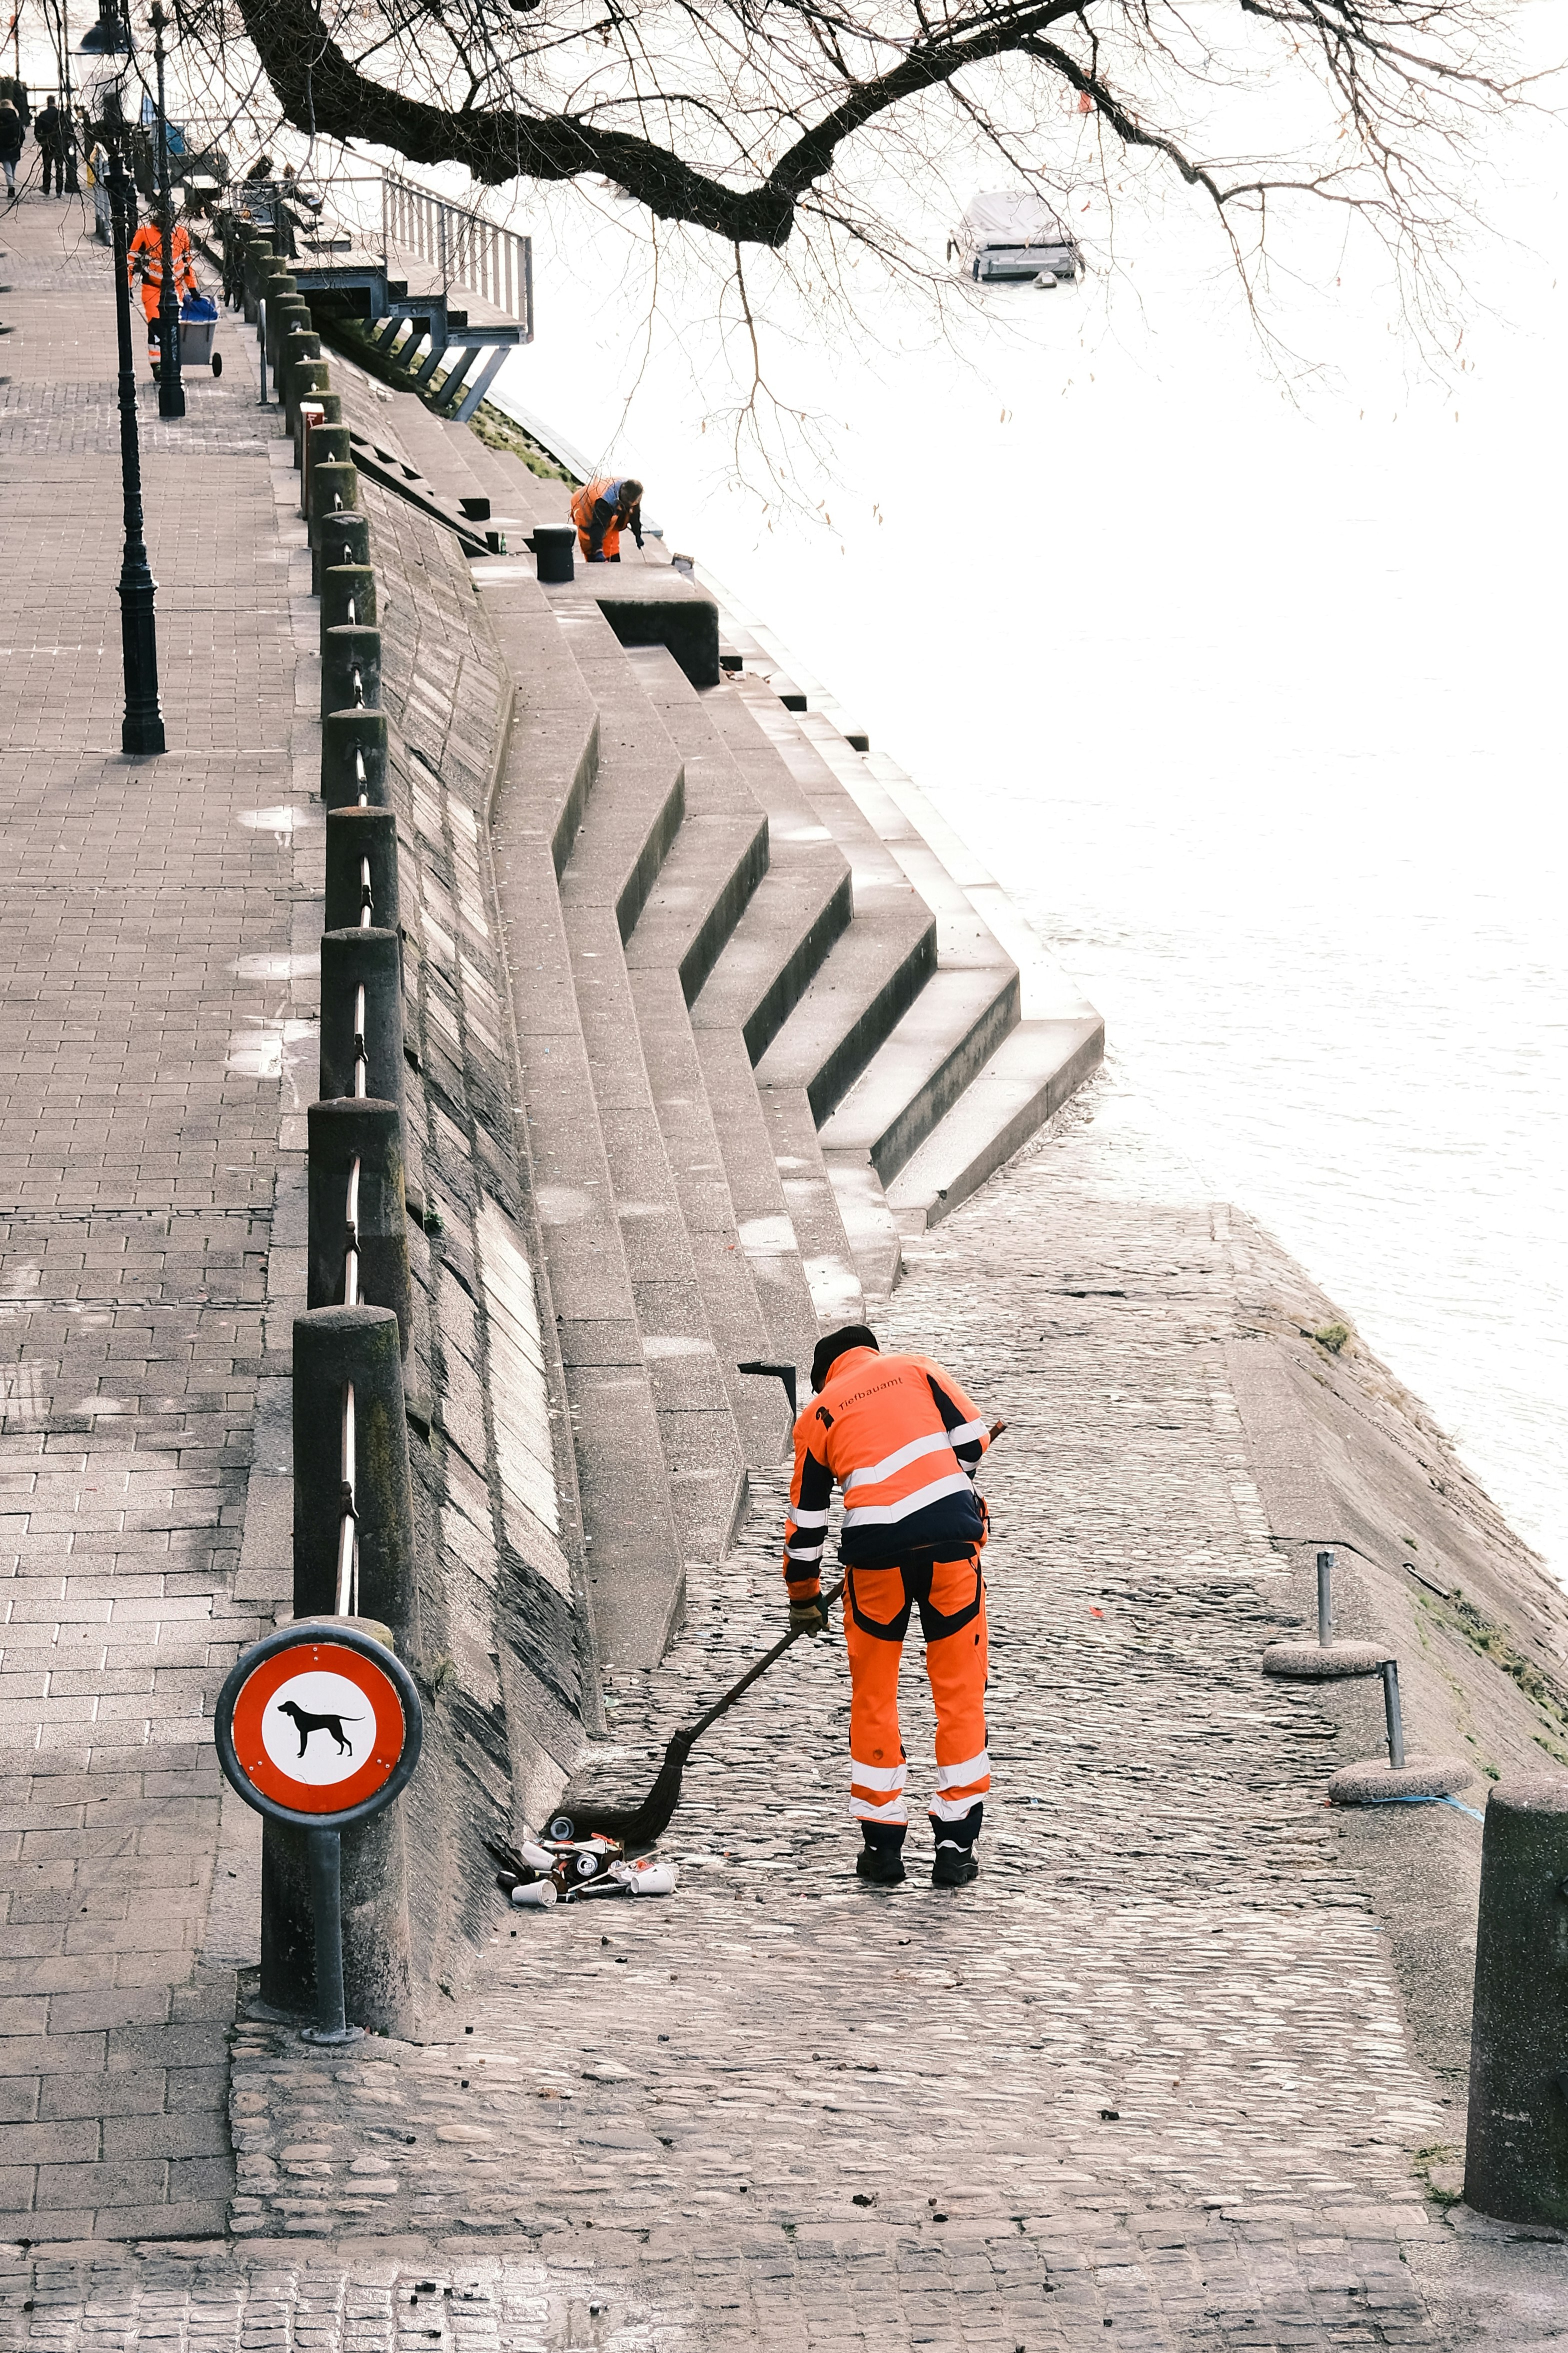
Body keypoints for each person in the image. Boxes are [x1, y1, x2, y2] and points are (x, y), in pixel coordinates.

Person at [782, 1324, 994, 1890]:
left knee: (873, 1693)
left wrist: (803, 1598)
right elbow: (972, 1440)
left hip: (874, 1560)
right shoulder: (916, 1368)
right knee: (958, 1691)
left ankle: (882, 1847)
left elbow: (806, 1527)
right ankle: (954, 1846)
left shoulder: (817, 1415)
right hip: (951, 1548)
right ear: (869, 1352)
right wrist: (956, 1491)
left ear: (823, 1376)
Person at [127, 210, 198, 374]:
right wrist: (128, 287)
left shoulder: (182, 234)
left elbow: (187, 263)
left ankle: (172, 361)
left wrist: (192, 287)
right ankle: (157, 363)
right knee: (156, 325)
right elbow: (130, 261)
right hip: (152, 289)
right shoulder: (144, 233)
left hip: (175, 289)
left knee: (172, 326)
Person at [570, 474, 644, 563]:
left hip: (607, 507)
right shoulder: (606, 502)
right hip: (584, 506)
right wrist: (598, 550)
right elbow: (598, 526)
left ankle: (612, 560)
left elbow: (634, 515)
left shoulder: (633, 492)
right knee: (591, 541)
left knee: (612, 553)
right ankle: (594, 558)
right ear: (623, 499)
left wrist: (638, 535)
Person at [35, 96, 68, 194]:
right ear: (55, 102)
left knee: (47, 166)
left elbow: (37, 132)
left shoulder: (42, 115)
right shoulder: (61, 115)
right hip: (59, 143)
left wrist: (42, 142)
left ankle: (46, 188)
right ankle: (59, 189)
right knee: (59, 167)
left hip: (47, 144)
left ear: (47, 103)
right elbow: (67, 130)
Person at [0, 102, 22, 200]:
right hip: (15, 147)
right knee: (13, 167)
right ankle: (11, 184)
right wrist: (19, 144)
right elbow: (22, 135)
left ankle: (11, 187)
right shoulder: (16, 119)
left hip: (3, 147)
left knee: (7, 168)